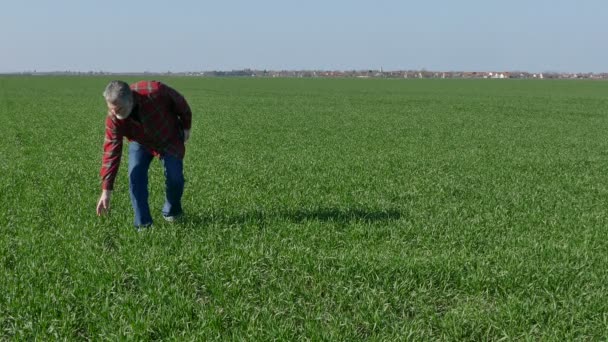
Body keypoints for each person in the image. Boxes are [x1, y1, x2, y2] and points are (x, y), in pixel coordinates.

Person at [96, 80, 192, 228]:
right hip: (140, 142)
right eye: (111, 109)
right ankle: (143, 225)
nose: (114, 113)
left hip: (169, 138)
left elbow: (181, 103)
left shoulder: (155, 92)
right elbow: (111, 151)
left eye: (118, 109)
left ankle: (172, 212)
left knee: (175, 178)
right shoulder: (114, 117)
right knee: (135, 178)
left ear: (130, 100)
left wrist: (186, 127)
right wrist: (106, 190)